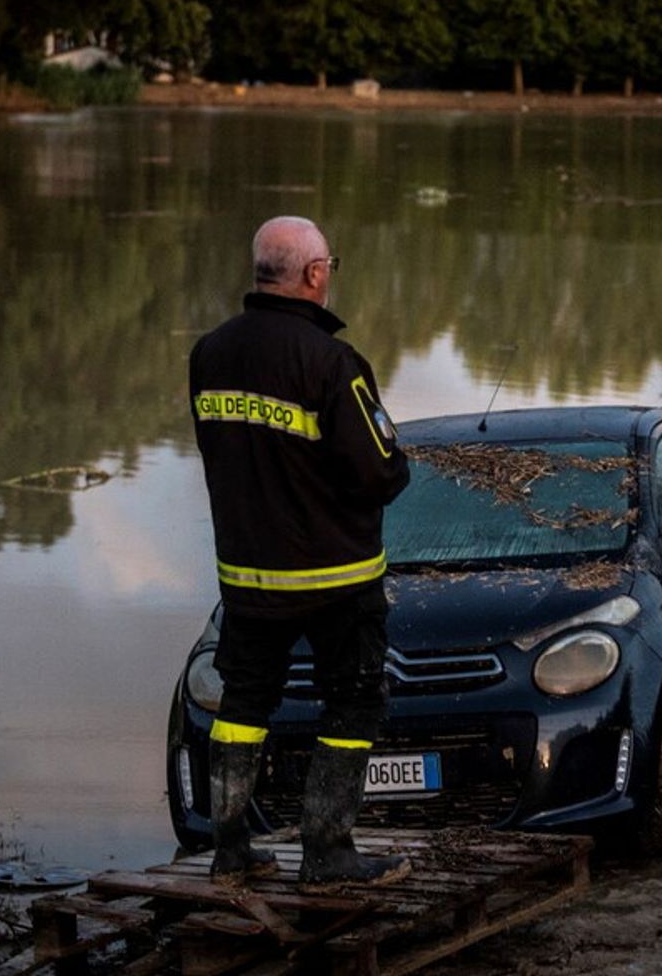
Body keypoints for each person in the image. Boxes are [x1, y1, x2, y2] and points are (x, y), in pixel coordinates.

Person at [189, 215, 411, 890]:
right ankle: (327, 850)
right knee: (352, 702)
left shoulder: (209, 353)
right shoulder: (331, 362)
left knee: (244, 704)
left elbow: (223, 454)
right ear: (314, 274)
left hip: (249, 577)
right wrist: (396, 466)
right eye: (328, 267)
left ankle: (229, 850)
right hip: (337, 579)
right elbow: (378, 471)